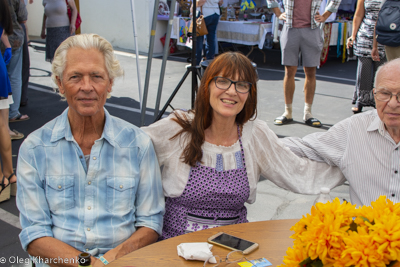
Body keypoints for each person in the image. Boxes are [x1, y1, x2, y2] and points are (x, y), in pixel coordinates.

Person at [142, 52, 344, 240]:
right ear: (207, 86)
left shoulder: (254, 135)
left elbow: (297, 172)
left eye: (241, 85)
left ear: (249, 93)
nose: (231, 91)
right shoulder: (179, 128)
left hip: (234, 247)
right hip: (177, 247)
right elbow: (130, 147)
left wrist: (350, 166)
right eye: (222, 81)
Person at [17, 34, 165, 267]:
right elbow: (34, 235)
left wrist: (109, 260)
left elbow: (150, 222)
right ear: (59, 83)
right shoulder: (35, 148)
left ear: (110, 83)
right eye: (75, 77)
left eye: (96, 76)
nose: (87, 87)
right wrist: (88, 264)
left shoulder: (137, 144)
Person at [281, 58, 400, 206]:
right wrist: (253, 138)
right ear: (374, 94)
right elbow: (304, 147)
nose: (393, 103)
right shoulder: (356, 129)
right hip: (366, 228)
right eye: (385, 93)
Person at [266, 0, 342, 127]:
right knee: (289, 71)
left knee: (311, 71)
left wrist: (325, 15)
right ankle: (287, 112)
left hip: (312, 28)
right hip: (290, 28)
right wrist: (278, 12)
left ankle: (308, 113)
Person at [347, 0, 386, 114]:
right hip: (364, 36)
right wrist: (353, 36)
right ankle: (361, 100)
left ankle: (379, 101)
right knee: (364, 70)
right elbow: (359, 14)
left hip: (384, 36)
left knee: (381, 71)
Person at [0, 0, 18, 203]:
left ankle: (0, 180)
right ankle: (9, 175)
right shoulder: (3, 6)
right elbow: (6, 38)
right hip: (0, 72)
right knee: (3, 126)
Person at [0, 0, 29, 123]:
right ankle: (12, 113)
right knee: (14, 77)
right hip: (12, 38)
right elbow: (23, 17)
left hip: (6, 38)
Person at [195, 0, 223, 65]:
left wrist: (194, 5)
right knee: (211, 38)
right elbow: (220, 2)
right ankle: (210, 62)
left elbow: (201, 1)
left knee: (199, 38)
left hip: (205, 13)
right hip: (215, 12)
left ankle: (197, 62)